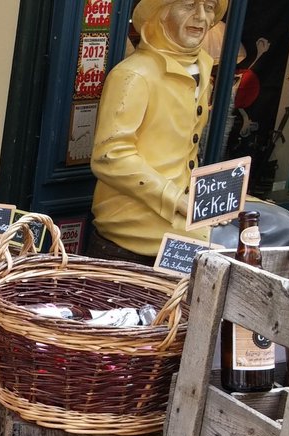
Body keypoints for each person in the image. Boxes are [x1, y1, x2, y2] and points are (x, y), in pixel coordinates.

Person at [88, 0, 228, 263]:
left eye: (209, 8)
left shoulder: (202, 68)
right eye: (188, 6)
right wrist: (177, 199)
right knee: (224, 247)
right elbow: (110, 157)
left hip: (182, 205)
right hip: (134, 218)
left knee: (272, 226)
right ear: (160, 15)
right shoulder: (134, 74)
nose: (200, 17)